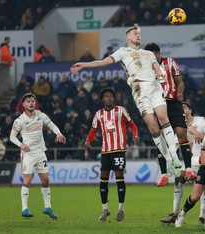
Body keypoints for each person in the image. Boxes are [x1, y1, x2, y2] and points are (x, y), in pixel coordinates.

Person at [70, 24, 182, 176]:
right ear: (127, 37)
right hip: (139, 91)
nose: (138, 35)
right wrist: (84, 64)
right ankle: (167, 157)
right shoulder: (123, 52)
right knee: (153, 127)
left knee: (163, 117)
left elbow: (157, 66)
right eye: (135, 34)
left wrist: (160, 73)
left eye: (139, 34)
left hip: (155, 88)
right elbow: (103, 63)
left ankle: (174, 156)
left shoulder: (148, 53)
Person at [144, 42, 195, 187]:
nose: (153, 57)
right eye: (150, 55)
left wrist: (179, 93)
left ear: (159, 53)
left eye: (155, 54)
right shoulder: (146, 69)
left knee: (181, 133)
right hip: (157, 104)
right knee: (161, 137)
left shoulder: (170, 62)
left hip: (172, 102)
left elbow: (179, 81)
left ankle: (189, 169)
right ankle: (164, 174)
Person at [84, 87, 139, 222]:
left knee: (119, 178)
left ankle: (121, 210)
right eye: (106, 96)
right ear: (102, 99)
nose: (109, 98)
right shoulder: (99, 114)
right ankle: (105, 209)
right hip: (105, 152)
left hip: (119, 150)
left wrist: (135, 134)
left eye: (111, 96)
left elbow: (132, 125)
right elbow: (93, 130)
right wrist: (88, 141)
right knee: (103, 180)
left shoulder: (121, 111)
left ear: (114, 98)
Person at [9, 92, 66, 219]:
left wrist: (58, 133)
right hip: (27, 154)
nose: (31, 103)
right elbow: (12, 137)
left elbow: (51, 124)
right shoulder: (19, 120)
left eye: (33, 101)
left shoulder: (40, 115)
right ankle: (25, 209)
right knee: (27, 180)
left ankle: (47, 207)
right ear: (23, 104)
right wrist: (21, 145)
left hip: (40, 152)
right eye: (28, 101)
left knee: (45, 180)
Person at [160, 102, 205, 226]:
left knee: (203, 187)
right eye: (180, 108)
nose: (182, 109)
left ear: (190, 110)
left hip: (202, 158)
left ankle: (202, 216)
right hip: (190, 161)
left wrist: (199, 134)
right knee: (179, 180)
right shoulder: (179, 127)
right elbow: (174, 145)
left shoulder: (200, 121)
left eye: (184, 107)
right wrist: (165, 155)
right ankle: (174, 214)